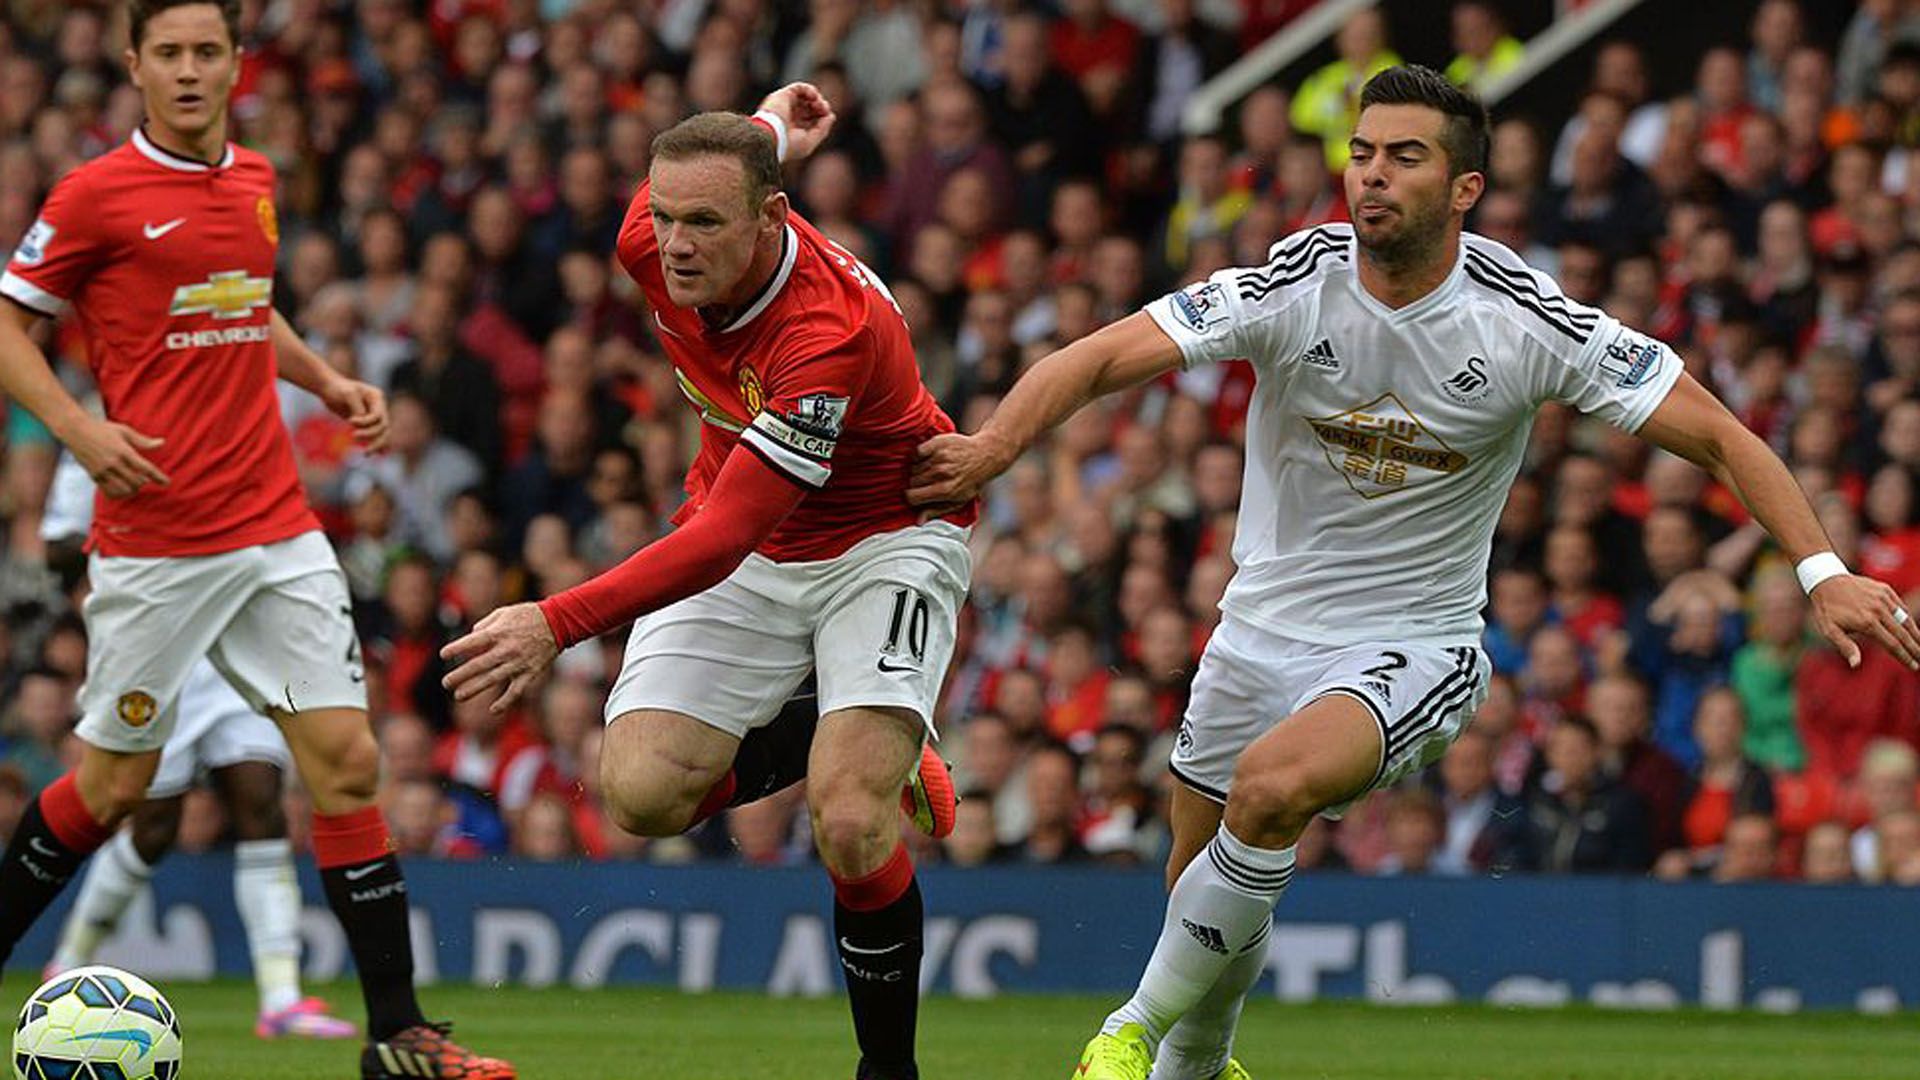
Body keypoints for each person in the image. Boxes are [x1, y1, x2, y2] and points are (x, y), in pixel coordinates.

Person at [907, 65, 1918, 1080]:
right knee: (1203, 873)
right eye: (1360, 153)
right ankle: (1204, 1061)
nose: (1371, 177)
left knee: (1271, 792)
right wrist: (996, 444)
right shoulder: (1294, 284)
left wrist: (1821, 568)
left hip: (1412, 643)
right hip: (1255, 630)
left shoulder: (1524, 321)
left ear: (1465, 188)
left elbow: (1721, 436)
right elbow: (1096, 357)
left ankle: (1128, 1033)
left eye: (1404, 156)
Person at [0, 4, 511, 1076]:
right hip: (155, 540)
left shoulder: (256, 179)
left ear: (237, 63)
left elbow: (241, 302)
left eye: (207, 53)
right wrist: (81, 430)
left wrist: (324, 378)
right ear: (134, 63)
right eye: (169, 55)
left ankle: (398, 1037)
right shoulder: (93, 195)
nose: (190, 72)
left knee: (347, 760)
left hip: (274, 527)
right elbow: (9, 323)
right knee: (112, 790)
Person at [441, 83, 974, 1080]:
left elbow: (726, 535)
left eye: (706, 223)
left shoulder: (829, 329)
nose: (676, 245)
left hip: (886, 534)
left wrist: (553, 622)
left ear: (772, 219)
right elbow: (733, 527)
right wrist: (770, 127)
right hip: (747, 526)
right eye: (669, 215)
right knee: (639, 795)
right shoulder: (648, 238)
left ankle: (888, 1070)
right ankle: (861, 725)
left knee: (849, 818)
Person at [40, 452, 355, 1039]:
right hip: (156, 647)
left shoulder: (235, 423)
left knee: (260, 802)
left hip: (239, 642)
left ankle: (281, 997)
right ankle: (68, 958)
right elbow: (57, 548)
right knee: (153, 826)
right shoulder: (100, 435)